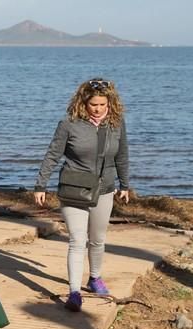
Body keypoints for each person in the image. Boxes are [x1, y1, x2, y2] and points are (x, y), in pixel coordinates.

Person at [33, 78, 130, 312]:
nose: (97, 109)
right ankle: (74, 292)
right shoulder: (69, 124)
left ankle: (95, 278)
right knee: (77, 240)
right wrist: (40, 185)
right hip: (73, 189)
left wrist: (125, 184)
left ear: (110, 103)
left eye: (102, 105)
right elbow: (52, 155)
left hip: (105, 188)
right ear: (83, 102)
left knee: (97, 239)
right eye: (93, 104)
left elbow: (122, 155)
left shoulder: (116, 124)